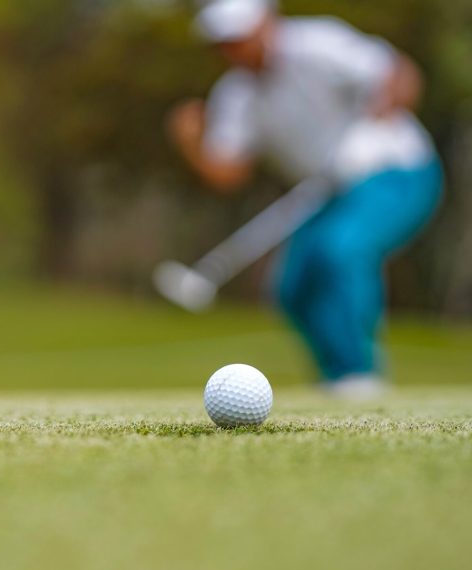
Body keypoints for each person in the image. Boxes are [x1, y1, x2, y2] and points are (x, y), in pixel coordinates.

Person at [168, 0, 443, 399]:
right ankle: (337, 378)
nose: (233, 49)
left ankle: (360, 374)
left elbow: (401, 74)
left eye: (239, 38)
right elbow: (228, 174)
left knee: (341, 249)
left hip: (396, 171)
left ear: (265, 23)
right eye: (223, 42)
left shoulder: (317, 43)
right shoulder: (235, 95)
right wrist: (192, 142)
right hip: (327, 191)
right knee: (293, 287)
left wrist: (377, 118)